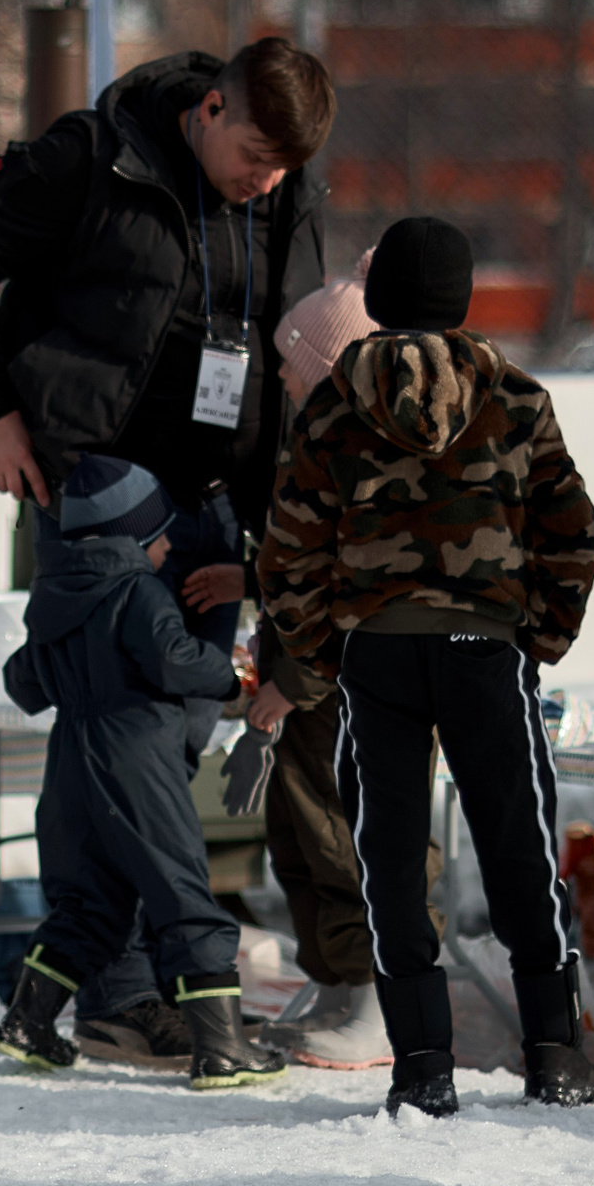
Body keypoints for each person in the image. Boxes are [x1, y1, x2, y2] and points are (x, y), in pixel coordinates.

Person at [0, 37, 336, 1061]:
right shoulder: (92, 155)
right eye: (253, 152)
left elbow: (287, 343)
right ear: (207, 107)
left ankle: (110, 983)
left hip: (214, 502)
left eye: (285, 165)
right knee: (125, 739)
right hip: (98, 497)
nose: (266, 179)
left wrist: (275, 522)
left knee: (175, 733)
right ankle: (126, 987)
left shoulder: (284, 189)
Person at [256, 216, 594, 1118]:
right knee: (519, 844)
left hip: (377, 656)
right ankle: (555, 1051)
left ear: (372, 303)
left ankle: (421, 1064)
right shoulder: (516, 396)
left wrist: (324, 650)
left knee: (390, 856)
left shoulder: (331, 405)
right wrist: (539, 635)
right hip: (486, 649)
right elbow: (573, 530)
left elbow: (290, 548)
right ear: (462, 301)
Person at [194, 259, 445, 1069]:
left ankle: (383, 1002)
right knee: (301, 838)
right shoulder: (327, 442)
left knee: (354, 839)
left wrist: (287, 686)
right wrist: (254, 581)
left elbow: (355, 590)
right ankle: (339, 985)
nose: (287, 389)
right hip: (308, 685)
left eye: (298, 375)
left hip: (351, 690)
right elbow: (304, 562)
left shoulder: (377, 457)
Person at [0, 456, 288, 1089]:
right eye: (160, 537)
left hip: (71, 757)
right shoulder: (136, 590)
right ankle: (222, 1046)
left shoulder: (53, 594)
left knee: (91, 902)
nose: (170, 546)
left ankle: (27, 1021)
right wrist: (229, 673)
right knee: (181, 892)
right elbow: (175, 662)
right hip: (138, 753)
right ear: (132, 539)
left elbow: (22, 682)